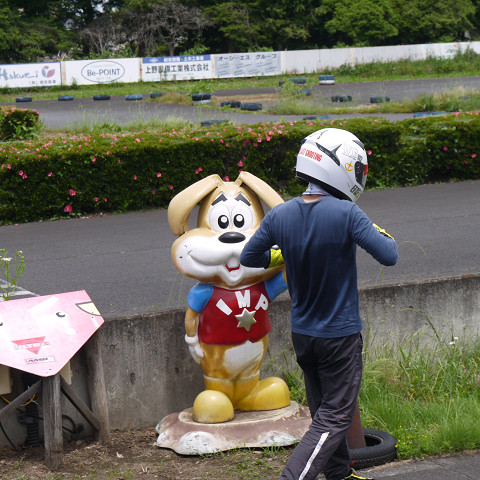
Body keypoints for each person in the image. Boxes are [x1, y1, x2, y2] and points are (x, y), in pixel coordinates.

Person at [240, 128, 398, 480]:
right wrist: (370, 226)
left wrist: (281, 252)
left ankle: (339, 474)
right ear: (343, 168)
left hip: (304, 335)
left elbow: (249, 257)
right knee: (335, 416)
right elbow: (390, 255)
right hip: (339, 336)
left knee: (324, 411)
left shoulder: (280, 215)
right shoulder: (348, 214)